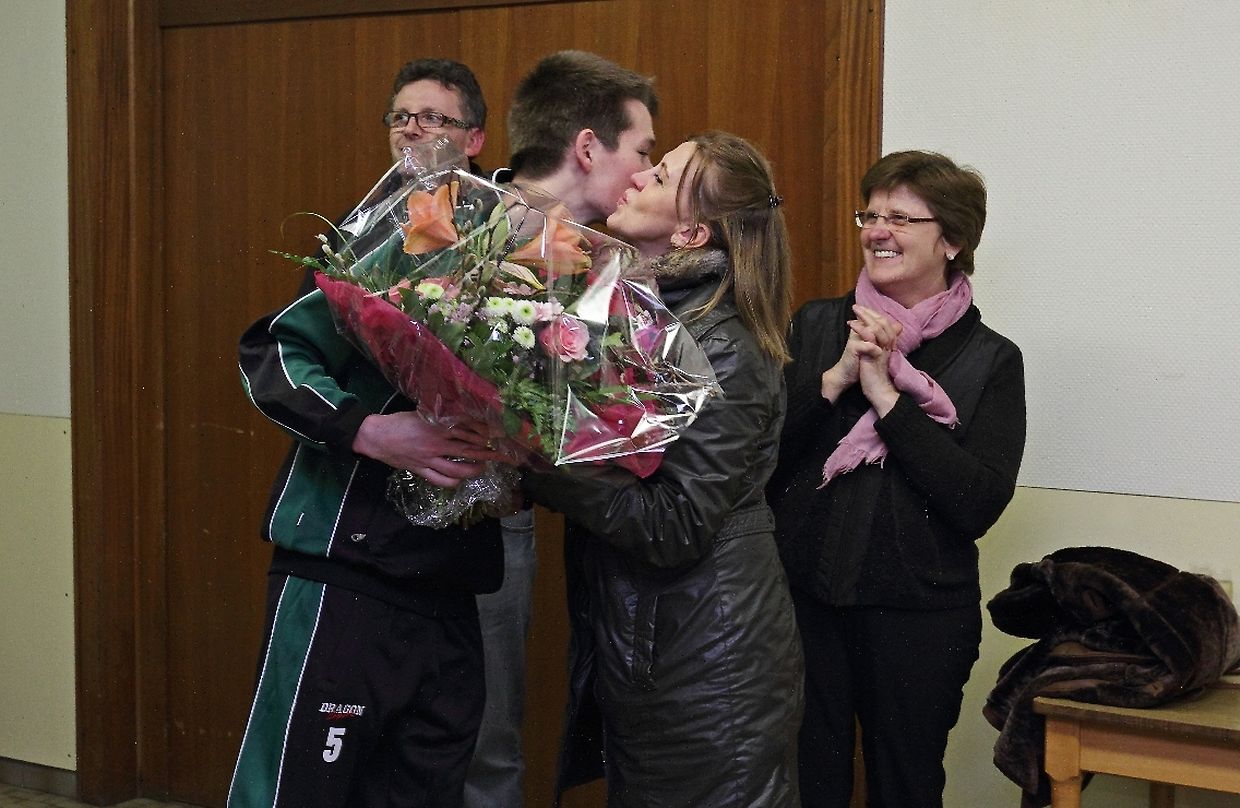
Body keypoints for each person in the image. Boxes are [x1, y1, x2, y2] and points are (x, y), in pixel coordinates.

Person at [229, 60, 514, 808]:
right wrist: (369, 431)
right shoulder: (362, 244)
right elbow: (273, 356)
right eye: (401, 117)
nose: (414, 130)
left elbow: (549, 392)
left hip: (451, 581)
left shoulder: (518, 255)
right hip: (342, 567)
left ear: (475, 139)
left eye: (435, 118)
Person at [521, 131, 803, 808]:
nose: (639, 176)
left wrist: (531, 457)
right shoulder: (639, 313)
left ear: (690, 233)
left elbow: (675, 525)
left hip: (711, 668)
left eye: (662, 176)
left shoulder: (721, 346)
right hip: (664, 652)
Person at [767, 150, 1027, 808]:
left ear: (953, 240)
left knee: (904, 790)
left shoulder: (991, 359)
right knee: (805, 787)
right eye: (871, 215)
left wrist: (888, 399)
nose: (877, 231)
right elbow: (760, 460)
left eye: (901, 218)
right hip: (803, 605)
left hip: (918, 620)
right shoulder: (819, 325)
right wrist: (833, 381)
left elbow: (976, 502)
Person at [461, 50, 659, 808]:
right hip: (400, 515)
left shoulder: (613, 265)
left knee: (491, 741)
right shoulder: (456, 224)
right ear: (587, 147)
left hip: (507, 517)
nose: (645, 174)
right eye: (641, 150)